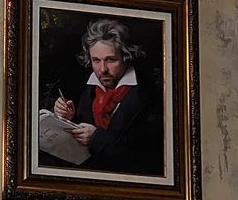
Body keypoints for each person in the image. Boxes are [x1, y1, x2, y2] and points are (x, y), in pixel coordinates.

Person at [52, 18, 163, 176]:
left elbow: (147, 158)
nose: (102, 69)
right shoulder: (88, 91)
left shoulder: (148, 96)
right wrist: (68, 118)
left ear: (126, 57)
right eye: (96, 60)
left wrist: (96, 138)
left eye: (110, 60)